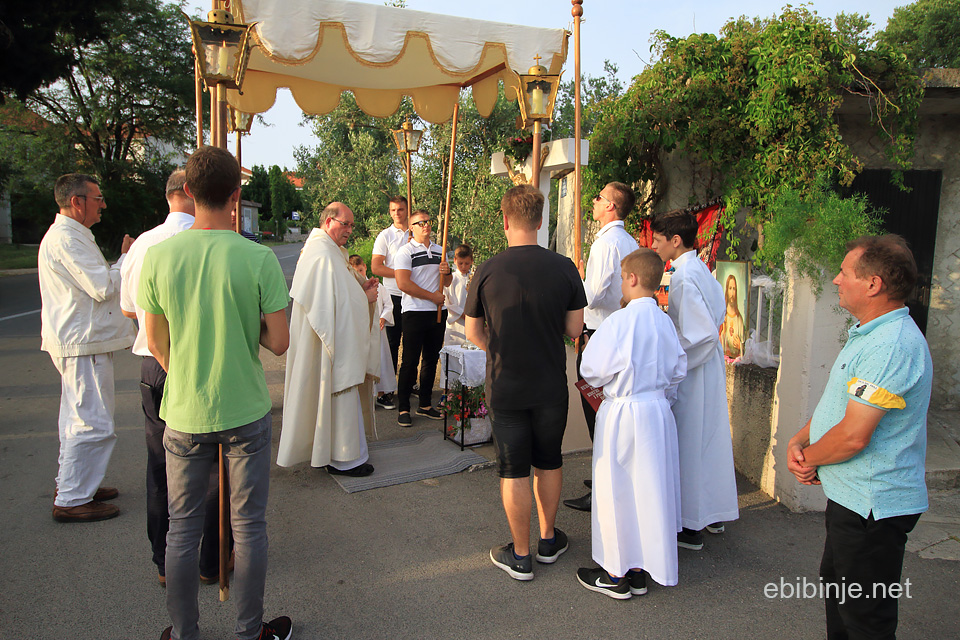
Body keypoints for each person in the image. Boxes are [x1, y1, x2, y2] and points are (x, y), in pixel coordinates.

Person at [138, 146, 292, 640]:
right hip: (244, 408)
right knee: (248, 528)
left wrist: (189, 369)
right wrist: (247, 331)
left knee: (182, 530)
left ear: (187, 191)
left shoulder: (158, 256)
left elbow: (158, 345)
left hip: (184, 408)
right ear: (236, 195)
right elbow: (279, 340)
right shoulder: (258, 257)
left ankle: (184, 633)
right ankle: (249, 632)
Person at [787, 235, 931, 640]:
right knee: (841, 598)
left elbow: (853, 436)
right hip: (853, 499)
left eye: (845, 273)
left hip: (873, 507)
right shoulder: (869, 333)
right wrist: (802, 440)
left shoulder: (891, 346)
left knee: (866, 620)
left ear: (874, 284)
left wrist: (812, 456)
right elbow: (840, 404)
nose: (835, 280)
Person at [464, 184, 586, 581]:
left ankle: (520, 554)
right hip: (550, 382)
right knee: (548, 460)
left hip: (506, 384)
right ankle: (548, 540)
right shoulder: (564, 267)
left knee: (513, 468)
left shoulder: (486, 269)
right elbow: (574, 328)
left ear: (505, 221)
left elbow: (473, 332)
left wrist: (501, 348)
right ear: (539, 221)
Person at [120, 169, 226, 585]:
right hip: (202, 363)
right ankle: (211, 561)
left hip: (153, 363)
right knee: (214, 466)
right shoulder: (216, 242)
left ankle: (165, 562)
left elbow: (132, 309)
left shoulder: (145, 244)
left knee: (161, 466)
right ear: (191, 193)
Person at [576, 248, 686, 599]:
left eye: (623, 277)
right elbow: (678, 370)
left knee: (616, 491)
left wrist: (594, 349)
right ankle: (640, 569)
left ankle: (614, 573)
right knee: (648, 490)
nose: (622, 284)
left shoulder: (618, 322)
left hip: (623, 412)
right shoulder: (664, 322)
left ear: (633, 279)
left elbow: (590, 370)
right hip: (657, 412)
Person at [40, 173, 136, 523]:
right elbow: (100, 285)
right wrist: (126, 259)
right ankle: (72, 496)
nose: (103, 205)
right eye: (98, 198)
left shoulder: (72, 235)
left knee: (77, 417)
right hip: (82, 343)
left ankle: (76, 483)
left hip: (81, 339)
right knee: (90, 420)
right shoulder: (67, 238)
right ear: (77, 202)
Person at [650, 210, 739, 550]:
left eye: (658, 239)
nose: (654, 244)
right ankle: (710, 513)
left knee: (689, 444)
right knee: (707, 442)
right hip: (706, 367)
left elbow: (699, 335)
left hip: (694, 369)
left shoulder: (684, 277)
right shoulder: (698, 266)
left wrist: (673, 366)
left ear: (675, 241)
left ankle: (690, 524)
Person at [277, 204, 380, 477]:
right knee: (336, 391)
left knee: (333, 395)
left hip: (332, 335)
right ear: (329, 221)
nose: (349, 230)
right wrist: (364, 299)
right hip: (327, 341)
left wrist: (361, 285)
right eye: (345, 224)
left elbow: (339, 289)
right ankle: (344, 458)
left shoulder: (329, 249)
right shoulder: (321, 253)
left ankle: (333, 453)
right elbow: (331, 304)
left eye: (351, 225)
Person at [565, 181, 639, 513]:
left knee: (597, 412)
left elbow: (591, 295)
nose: (593, 202)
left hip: (600, 333)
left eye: (598, 198)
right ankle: (605, 478)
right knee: (608, 410)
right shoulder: (629, 241)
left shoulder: (606, 243)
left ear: (610, 206)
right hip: (621, 330)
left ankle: (604, 488)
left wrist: (575, 280)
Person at [394, 209, 452, 426]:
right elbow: (403, 283)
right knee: (410, 361)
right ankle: (403, 408)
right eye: (420, 223)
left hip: (436, 313)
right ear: (411, 227)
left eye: (428, 221)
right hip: (414, 312)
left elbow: (446, 282)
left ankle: (426, 405)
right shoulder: (405, 252)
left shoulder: (441, 249)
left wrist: (446, 272)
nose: (426, 225)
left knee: (431, 359)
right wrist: (432, 297)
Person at [350, 254, 397, 411]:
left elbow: (388, 305)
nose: (360, 274)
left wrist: (383, 318)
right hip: (360, 334)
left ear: (366, 268)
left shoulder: (379, 287)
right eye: (356, 272)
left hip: (378, 331)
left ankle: (382, 394)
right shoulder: (351, 290)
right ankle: (365, 395)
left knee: (381, 361)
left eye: (362, 270)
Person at [371, 196, 410, 374]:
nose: (396, 213)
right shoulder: (385, 236)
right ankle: (388, 386)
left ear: (407, 209)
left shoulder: (415, 233)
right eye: (393, 210)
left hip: (414, 295)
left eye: (400, 209)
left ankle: (408, 383)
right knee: (392, 342)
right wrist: (400, 273)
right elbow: (376, 266)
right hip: (394, 295)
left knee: (412, 342)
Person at [443, 243, 474, 347]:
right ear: (455, 260)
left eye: (467, 263)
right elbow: (447, 301)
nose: (464, 267)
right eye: (460, 263)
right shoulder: (451, 279)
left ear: (471, 262)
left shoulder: (474, 278)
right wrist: (462, 313)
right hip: (455, 322)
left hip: (472, 321)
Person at [720, 274, 744, 359]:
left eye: (734, 289)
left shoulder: (739, 318)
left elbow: (743, 341)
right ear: (726, 290)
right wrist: (724, 331)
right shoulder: (722, 315)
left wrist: (740, 346)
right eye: (730, 288)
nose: (732, 293)